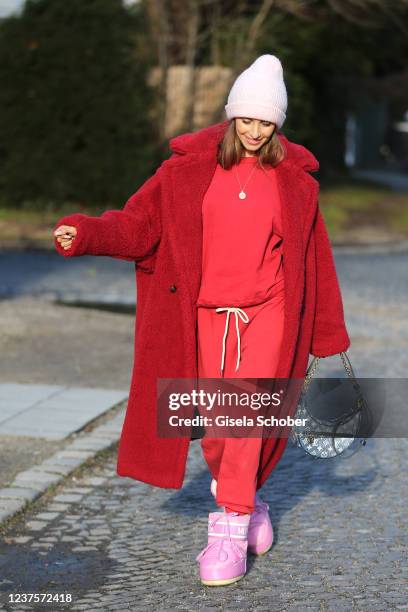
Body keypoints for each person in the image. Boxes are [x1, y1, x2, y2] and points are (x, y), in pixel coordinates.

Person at [53, 54, 350, 587]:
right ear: (232, 115)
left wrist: (327, 331)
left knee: (244, 419)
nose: (256, 131)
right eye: (248, 119)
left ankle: (228, 532)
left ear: (277, 124)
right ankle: (249, 502)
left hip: (268, 316)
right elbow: (140, 226)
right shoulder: (185, 172)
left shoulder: (294, 182)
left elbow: (314, 257)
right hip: (203, 318)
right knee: (218, 428)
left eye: (267, 122)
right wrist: (90, 234)